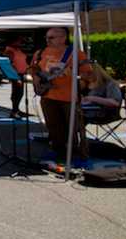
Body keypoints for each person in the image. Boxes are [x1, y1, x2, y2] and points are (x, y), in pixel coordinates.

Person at [30, 27, 90, 161]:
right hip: (47, 95)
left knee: (73, 129)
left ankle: (76, 155)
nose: (47, 40)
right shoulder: (41, 52)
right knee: (53, 127)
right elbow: (33, 69)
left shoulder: (75, 53)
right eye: (46, 37)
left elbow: (89, 75)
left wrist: (74, 74)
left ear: (63, 38)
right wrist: (36, 79)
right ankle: (58, 152)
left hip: (69, 97)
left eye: (51, 37)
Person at [4, 35, 28, 118]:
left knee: (20, 93)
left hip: (21, 73)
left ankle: (16, 110)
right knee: (17, 93)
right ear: (13, 41)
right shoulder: (10, 50)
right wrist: (16, 77)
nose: (20, 42)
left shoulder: (17, 49)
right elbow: (10, 64)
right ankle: (14, 111)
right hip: (15, 74)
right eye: (19, 40)